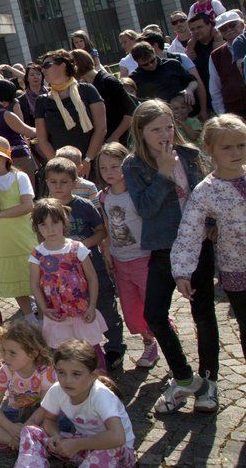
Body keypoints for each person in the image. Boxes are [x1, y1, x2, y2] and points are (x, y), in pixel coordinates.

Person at [122, 99, 218, 414]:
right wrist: (163, 174)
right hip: (164, 246)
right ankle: (183, 376)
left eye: (168, 127)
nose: (165, 134)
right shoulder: (133, 165)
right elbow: (145, 209)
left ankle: (209, 380)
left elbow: (207, 195)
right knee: (154, 313)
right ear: (141, 132)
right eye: (156, 130)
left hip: (198, 244)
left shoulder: (190, 155)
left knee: (203, 313)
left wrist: (212, 223)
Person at [172, 115, 246, 359]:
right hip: (236, 267)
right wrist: (182, 271)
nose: (236, 152)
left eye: (241, 145)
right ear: (210, 149)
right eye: (227, 147)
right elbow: (189, 232)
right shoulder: (206, 191)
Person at [43, 157, 124, 368]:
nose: (58, 187)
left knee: (105, 305)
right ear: (47, 182)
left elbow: (102, 231)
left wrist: (81, 245)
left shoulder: (84, 205)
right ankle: (80, 353)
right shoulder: (45, 208)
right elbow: (40, 239)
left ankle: (115, 347)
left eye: (63, 182)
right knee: (73, 311)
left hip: (92, 266)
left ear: (75, 182)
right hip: (63, 276)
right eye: (53, 182)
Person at [16, 339, 136, 467]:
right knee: (30, 430)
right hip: (82, 446)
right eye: (61, 372)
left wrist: (78, 444)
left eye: (76, 374)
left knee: (111, 447)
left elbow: (118, 437)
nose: (68, 380)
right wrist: (56, 436)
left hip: (117, 453)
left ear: (93, 375)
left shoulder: (101, 395)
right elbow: (49, 420)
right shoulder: (57, 390)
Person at [97, 143, 159, 369]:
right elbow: (107, 227)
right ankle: (149, 341)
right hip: (120, 261)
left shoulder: (136, 193)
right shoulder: (103, 196)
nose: (109, 172)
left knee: (154, 308)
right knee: (132, 311)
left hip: (143, 258)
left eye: (115, 166)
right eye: (103, 168)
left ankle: (166, 342)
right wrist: (107, 251)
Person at [28, 198, 108, 365]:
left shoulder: (77, 248)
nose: (50, 229)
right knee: (62, 354)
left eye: (55, 222)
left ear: (64, 222)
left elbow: (92, 278)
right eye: (43, 224)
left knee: (92, 351)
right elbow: (34, 284)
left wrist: (92, 306)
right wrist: (43, 309)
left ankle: (98, 378)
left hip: (82, 311)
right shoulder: (37, 254)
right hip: (56, 315)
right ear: (37, 227)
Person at [0, 321, 56, 451]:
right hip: (15, 414)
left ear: (32, 354)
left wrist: (27, 427)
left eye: (12, 353)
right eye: (4, 351)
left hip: (39, 417)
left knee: (58, 422)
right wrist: (10, 427)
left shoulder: (45, 370)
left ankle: (20, 441)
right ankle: (25, 442)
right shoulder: (6, 370)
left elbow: (45, 407)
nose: (6, 357)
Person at [0, 136, 36, 319]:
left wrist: (0, 216)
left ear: (7, 158)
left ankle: (45, 314)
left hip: (24, 235)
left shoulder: (20, 177)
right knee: (16, 280)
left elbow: (27, 206)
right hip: (5, 240)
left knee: (35, 276)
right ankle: (30, 317)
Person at [35, 49, 106, 178]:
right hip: (61, 171)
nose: (43, 70)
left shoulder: (87, 90)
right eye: (41, 67)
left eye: (46, 65)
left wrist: (87, 160)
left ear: (63, 66)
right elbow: (42, 139)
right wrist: (60, 166)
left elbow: (101, 128)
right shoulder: (42, 101)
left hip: (91, 163)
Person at [71, 49, 135, 147]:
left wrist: (114, 137)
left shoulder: (108, 81)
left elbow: (130, 112)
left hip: (122, 141)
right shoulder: (86, 87)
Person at [0, 79, 37, 180]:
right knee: (28, 188)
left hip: (3, 158)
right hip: (18, 158)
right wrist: (42, 128)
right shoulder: (6, 114)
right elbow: (28, 132)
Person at [129, 42, 195, 104]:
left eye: (152, 61)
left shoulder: (172, 64)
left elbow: (193, 81)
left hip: (181, 108)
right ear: (136, 62)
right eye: (145, 64)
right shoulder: (134, 78)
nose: (150, 65)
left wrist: (189, 90)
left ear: (154, 52)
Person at [208, 10, 246, 117]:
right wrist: (223, 115)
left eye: (232, 25)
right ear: (220, 32)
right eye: (223, 28)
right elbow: (215, 89)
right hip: (234, 113)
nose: (229, 30)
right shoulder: (215, 56)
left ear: (242, 25)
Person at [186, 9, 220, 114]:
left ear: (209, 26)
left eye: (199, 27)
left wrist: (219, 41)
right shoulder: (192, 47)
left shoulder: (220, 41)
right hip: (208, 100)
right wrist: (190, 47)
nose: (196, 31)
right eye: (192, 29)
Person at [18, 63, 45, 127]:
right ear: (27, 78)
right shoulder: (21, 100)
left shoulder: (51, 93)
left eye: (38, 74)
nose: (36, 77)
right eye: (32, 75)